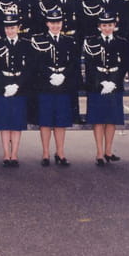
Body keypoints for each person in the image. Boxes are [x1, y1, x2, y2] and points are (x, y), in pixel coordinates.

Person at [32, 9, 78, 167]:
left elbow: (73, 62)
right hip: (46, 85)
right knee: (45, 121)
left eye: (58, 22)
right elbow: (36, 62)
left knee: (60, 121)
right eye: (52, 23)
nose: (55, 25)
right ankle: (45, 153)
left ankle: (60, 152)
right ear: (47, 23)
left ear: (62, 23)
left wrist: (63, 75)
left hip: (63, 85)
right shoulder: (39, 40)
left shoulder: (69, 41)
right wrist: (50, 75)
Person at [83, 12, 129, 166]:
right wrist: (102, 82)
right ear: (99, 26)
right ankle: (99, 152)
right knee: (98, 120)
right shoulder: (91, 42)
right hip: (97, 86)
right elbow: (89, 65)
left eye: (110, 25)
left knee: (111, 119)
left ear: (114, 26)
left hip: (115, 85)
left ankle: (108, 151)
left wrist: (114, 82)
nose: (107, 28)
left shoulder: (122, 42)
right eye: (104, 25)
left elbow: (124, 65)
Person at [0, 14, 33, 166]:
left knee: (16, 123)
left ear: (18, 28)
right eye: (7, 28)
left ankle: (14, 154)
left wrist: (17, 85)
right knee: (4, 123)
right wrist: (4, 85)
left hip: (19, 87)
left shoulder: (26, 44)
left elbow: (29, 68)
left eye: (13, 27)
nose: (10, 31)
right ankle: (6, 154)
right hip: (3, 87)